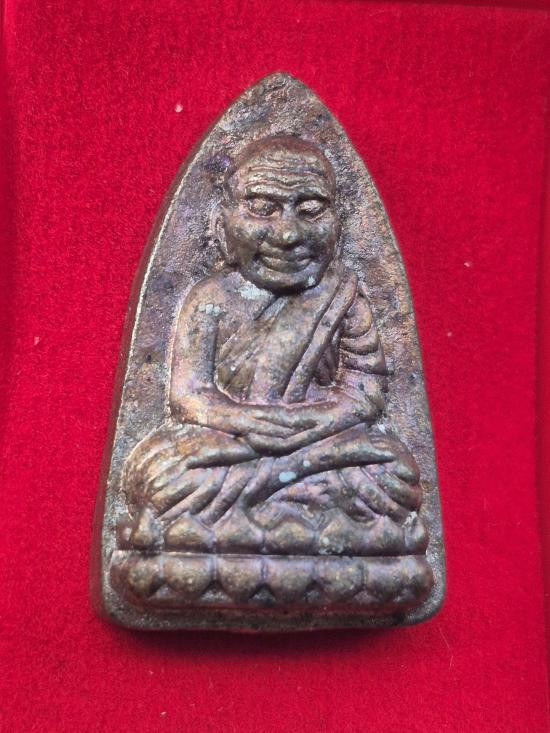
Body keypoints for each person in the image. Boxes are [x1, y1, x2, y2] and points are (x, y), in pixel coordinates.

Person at [119, 135, 427, 558]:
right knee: (162, 475)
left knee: (393, 472)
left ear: (338, 223)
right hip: (234, 445)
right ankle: (312, 526)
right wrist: (247, 421)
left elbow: (365, 389)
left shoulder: (343, 295)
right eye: (263, 208)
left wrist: (308, 423)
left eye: (310, 211)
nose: (287, 234)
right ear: (222, 223)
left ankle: (230, 529)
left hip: (319, 441)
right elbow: (189, 393)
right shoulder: (211, 297)